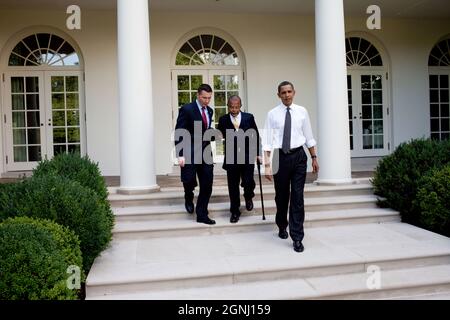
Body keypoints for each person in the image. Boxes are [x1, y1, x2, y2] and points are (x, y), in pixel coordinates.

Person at [262, 81, 319, 252]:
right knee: (282, 197)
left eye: (289, 92)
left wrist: (314, 157)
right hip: (280, 157)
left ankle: (297, 237)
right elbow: (267, 141)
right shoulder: (272, 114)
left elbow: (308, 136)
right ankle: (281, 224)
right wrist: (267, 165)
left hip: (299, 156)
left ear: (294, 92)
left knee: (297, 197)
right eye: (283, 92)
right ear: (278, 95)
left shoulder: (302, 112)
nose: (287, 95)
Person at [175, 84, 216, 225]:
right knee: (189, 180)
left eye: (209, 98)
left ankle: (202, 214)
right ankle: (188, 196)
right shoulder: (187, 109)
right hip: (189, 151)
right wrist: (180, 154)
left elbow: (206, 129)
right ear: (198, 95)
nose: (207, 100)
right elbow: (179, 131)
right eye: (204, 97)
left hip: (205, 152)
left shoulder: (210, 111)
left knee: (207, 184)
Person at [217, 95, 261, 223]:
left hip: (247, 155)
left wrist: (258, 153)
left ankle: (248, 196)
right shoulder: (223, 119)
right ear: (228, 106)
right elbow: (219, 135)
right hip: (232, 157)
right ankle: (235, 211)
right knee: (233, 186)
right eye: (231, 107)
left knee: (248, 181)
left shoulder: (249, 117)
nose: (234, 110)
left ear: (240, 106)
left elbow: (256, 135)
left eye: (236, 107)